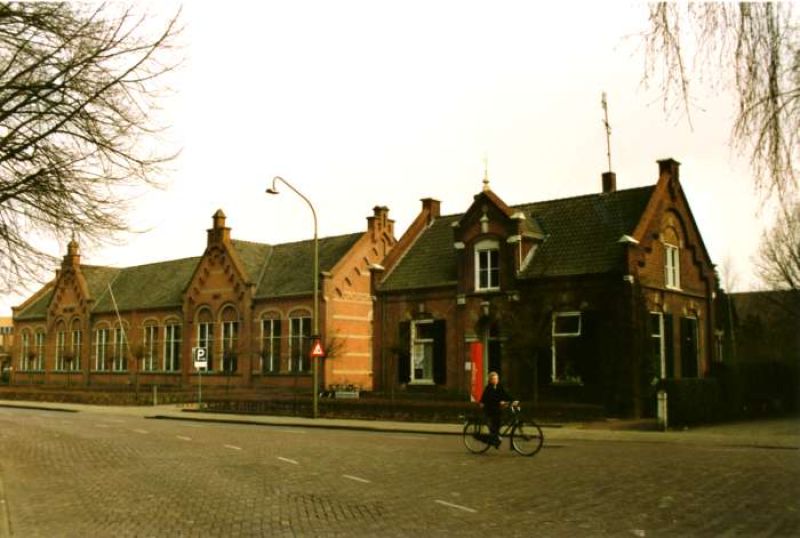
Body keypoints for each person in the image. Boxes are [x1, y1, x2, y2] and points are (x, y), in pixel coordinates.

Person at [479, 371, 515, 448]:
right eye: (494, 379)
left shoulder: (499, 387)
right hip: (490, 410)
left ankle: (496, 439)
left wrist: (513, 400)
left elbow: (505, 394)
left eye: (497, 378)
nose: (496, 380)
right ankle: (495, 439)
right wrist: (500, 402)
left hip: (497, 410)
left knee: (499, 424)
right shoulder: (488, 388)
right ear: (490, 380)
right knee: (494, 426)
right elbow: (488, 398)